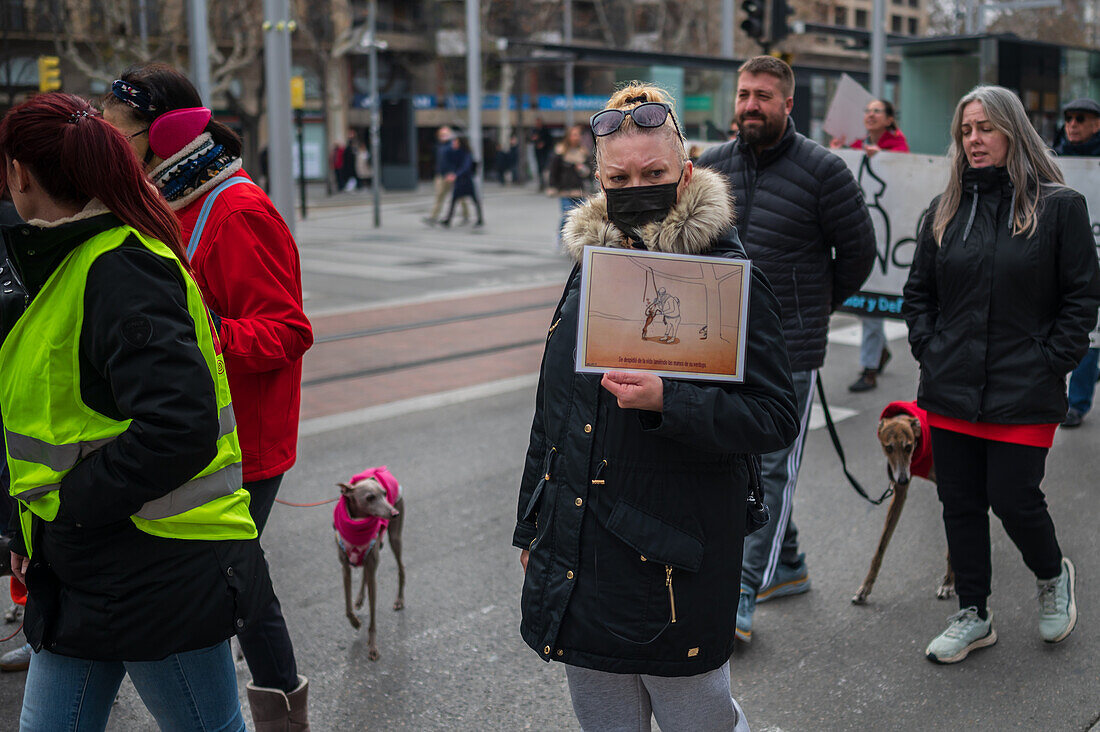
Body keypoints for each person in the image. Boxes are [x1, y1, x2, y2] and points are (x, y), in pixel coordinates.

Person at [514, 82, 799, 732]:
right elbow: (553, 411)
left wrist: (672, 400)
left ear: (686, 172)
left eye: (654, 173)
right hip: (582, 554)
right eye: (620, 175)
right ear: (598, 176)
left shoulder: (725, 271)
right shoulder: (591, 263)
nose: (636, 186)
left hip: (674, 562)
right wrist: (534, 522)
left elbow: (775, 415)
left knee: (700, 721)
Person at [1, 92, 273, 730]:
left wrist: (66, 508)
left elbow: (179, 429)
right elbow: (49, 422)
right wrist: (26, 526)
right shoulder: (65, 258)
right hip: (87, 560)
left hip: (158, 567)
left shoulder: (120, 266)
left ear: (20, 173)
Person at [103, 64, 314, 728]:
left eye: (117, 132)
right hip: (197, 433)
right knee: (235, 582)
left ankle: (276, 712)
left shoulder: (237, 208)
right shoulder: (163, 198)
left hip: (244, 442)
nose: (108, 144)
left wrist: (194, 337)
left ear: (161, 137)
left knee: (233, 584)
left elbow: (287, 330)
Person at [903, 85, 1100, 664]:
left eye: (985, 128)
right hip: (950, 386)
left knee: (1014, 498)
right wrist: (929, 348)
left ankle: (1051, 575)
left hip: (1025, 387)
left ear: (1013, 130)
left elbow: (1082, 296)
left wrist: (1051, 359)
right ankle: (974, 611)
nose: (974, 140)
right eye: (965, 131)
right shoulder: (943, 211)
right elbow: (920, 295)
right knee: (959, 502)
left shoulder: (1059, 206)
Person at [697, 56, 876, 643]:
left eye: (764, 96)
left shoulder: (824, 171)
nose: (751, 104)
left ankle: (743, 590)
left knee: (772, 465)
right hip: (717, 345)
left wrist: (808, 312)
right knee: (734, 464)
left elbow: (857, 256)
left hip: (790, 350)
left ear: (788, 104)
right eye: (745, 93)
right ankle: (789, 564)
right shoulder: (711, 167)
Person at [829, 99, 911, 393]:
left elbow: (903, 180)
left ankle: (869, 368)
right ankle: (879, 353)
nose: (870, 115)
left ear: (890, 119)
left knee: (873, 299)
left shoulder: (899, 150)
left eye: (877, 111)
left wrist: (883, 160)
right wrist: (841, 154)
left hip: (886, 234)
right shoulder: (859, 146)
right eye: (867, 110)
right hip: (864, 230)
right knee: (868, 301)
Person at [1054, 98, 1100, 428]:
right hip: (1070, 260)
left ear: (1097, 124)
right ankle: (1077, 402)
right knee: (1086, 330)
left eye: (1080, 119)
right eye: (1068, 118)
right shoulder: (1053, 160)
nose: (1072, 124)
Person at [547, 123, 592, 245]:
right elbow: (554, 170)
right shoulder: (560, 152)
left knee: (580, 217)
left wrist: (583, 169)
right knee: (566, 214)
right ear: (568, 136)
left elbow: (590, 172)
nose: (576, 137)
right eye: (573, 135)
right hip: (565, 190)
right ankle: (561, 236)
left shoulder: (583, 152)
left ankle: (575, 239)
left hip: (580, 190)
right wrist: (552, 186)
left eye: (578, 135)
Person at [426, 126, 469, 225]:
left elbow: (459, 160)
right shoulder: (439, 146)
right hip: (441, 175)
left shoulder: (454, 145)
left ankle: (466, 215)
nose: (443, 136)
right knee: (439, 196)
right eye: (441, 134)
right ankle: (433, 217)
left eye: (446, 134)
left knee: (460, 196)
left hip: (452, 176)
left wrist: (455, 173)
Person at [440, 136, 483, 228]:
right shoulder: (455, 152)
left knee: (474, 199)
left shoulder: (467, 153)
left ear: (460, 143)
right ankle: (448, 220)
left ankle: (480, 219)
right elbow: (447, 158)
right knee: (454, 200)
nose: (453, 144)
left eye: (455, 142)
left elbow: (465, 167)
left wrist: (456, 175)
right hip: (460, 181)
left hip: (466, 180)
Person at [530, 117, 553, 190]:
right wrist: (534, 140)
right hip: (538, 152)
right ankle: (541, 183)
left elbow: (550, 140)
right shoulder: (534, 130)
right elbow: (531, 139)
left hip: (545, 152)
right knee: (540, 168)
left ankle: (546, 183)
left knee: (546, 168)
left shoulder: (545, 130)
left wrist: (544, 144)